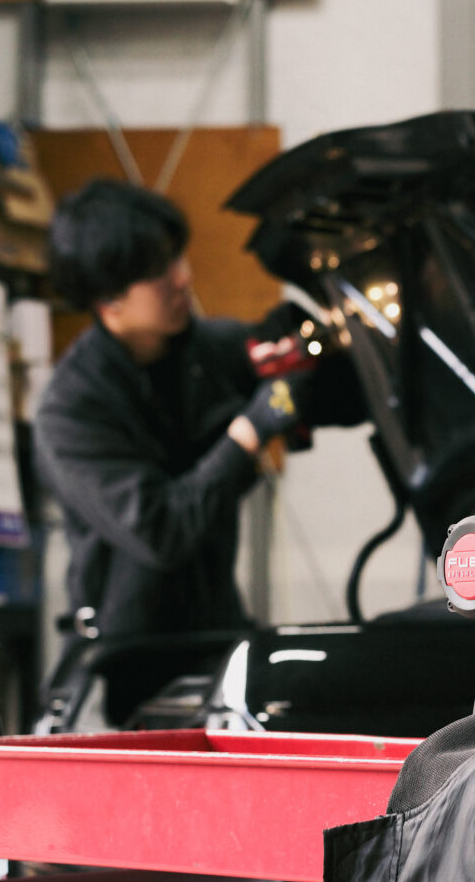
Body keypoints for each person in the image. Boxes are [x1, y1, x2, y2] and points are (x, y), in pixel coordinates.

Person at [35, 179, 365, 685]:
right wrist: (250, 430)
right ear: (109, 298)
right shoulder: (71, 411)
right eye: (156, 271)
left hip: (217, 639)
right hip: (122, 666)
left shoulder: (214, 352)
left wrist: (314, 355)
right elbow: (161, 531)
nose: (181, 278)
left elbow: (346, 401)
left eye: (176, 258)